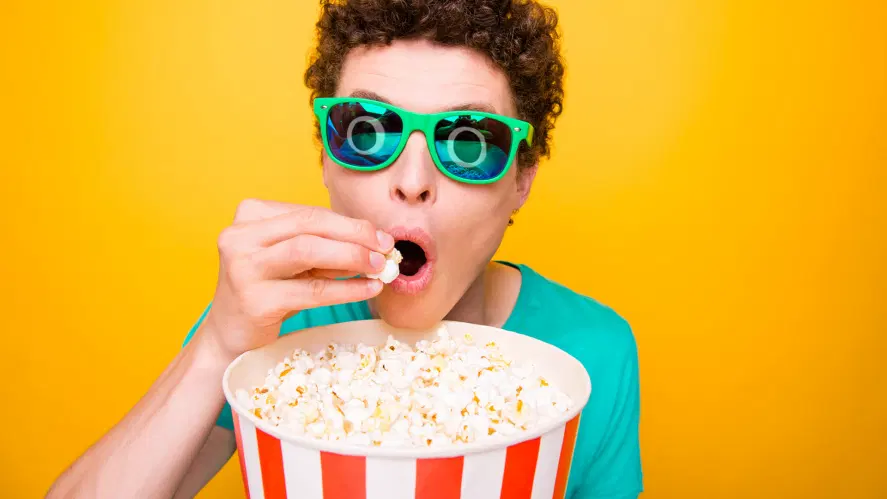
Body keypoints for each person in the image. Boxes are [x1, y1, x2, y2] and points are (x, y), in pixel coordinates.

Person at [47, 0, 642, 497]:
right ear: (326, 160)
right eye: (369, 130)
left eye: (468, 141)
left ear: (521, 180)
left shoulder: (592, 354)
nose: (413, 180)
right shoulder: (275, 323)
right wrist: (215, 348)